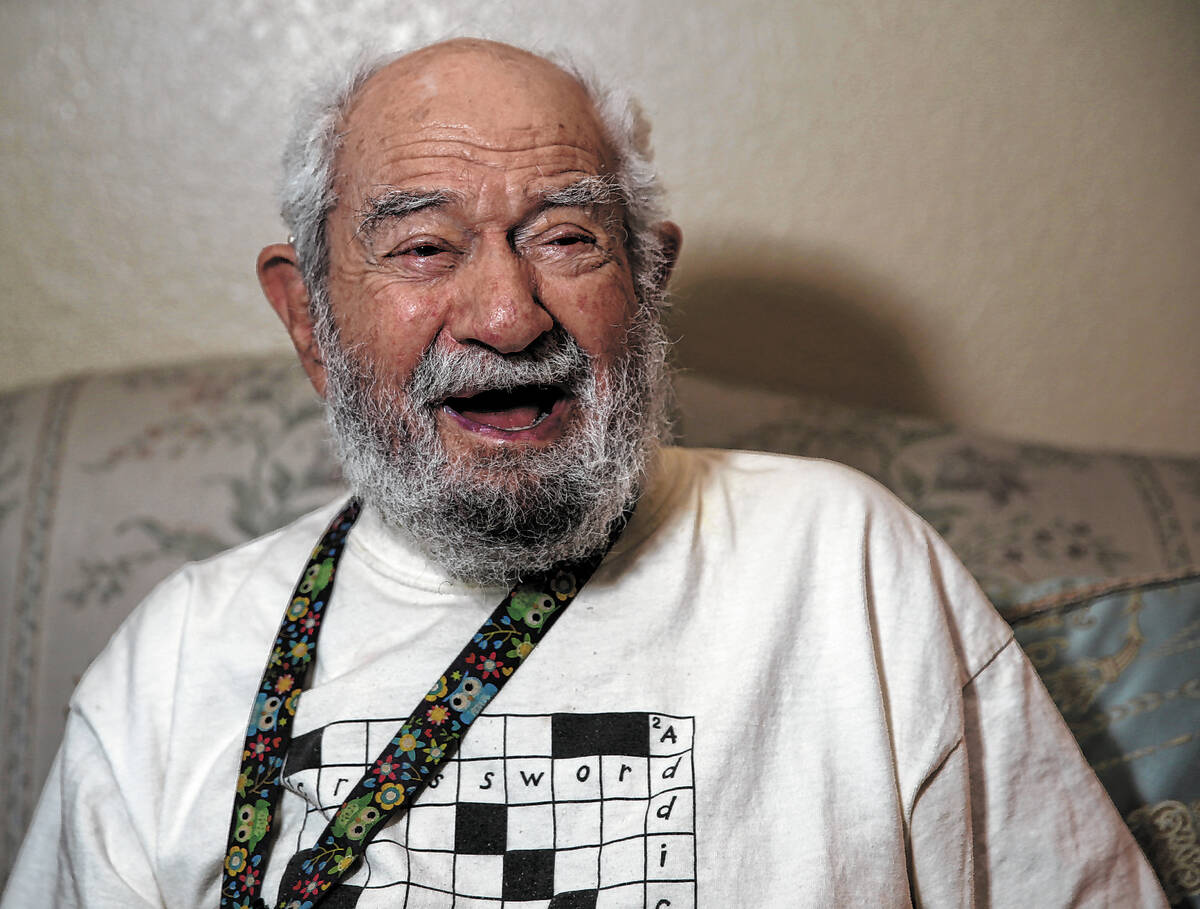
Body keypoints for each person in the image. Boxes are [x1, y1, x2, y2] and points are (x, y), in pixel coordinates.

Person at [1, 38, 1167, 909]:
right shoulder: (179, 658)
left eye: (567, 237)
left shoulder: (845, 562)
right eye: (424, 247)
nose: (509, 316)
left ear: (647, 284)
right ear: (308, 319)